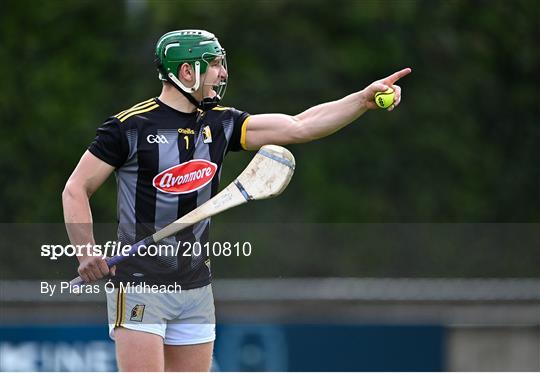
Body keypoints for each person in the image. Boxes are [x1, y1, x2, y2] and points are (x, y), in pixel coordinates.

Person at [62, 29, 411, 371]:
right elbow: (76, 188)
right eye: (214, 64)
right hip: (140, 284)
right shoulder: (128, 127)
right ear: (187, 71)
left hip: (195, 287)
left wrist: (362, 100)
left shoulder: (222, 123)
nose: (223, 73)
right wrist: (86, 250)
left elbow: (299, 125)